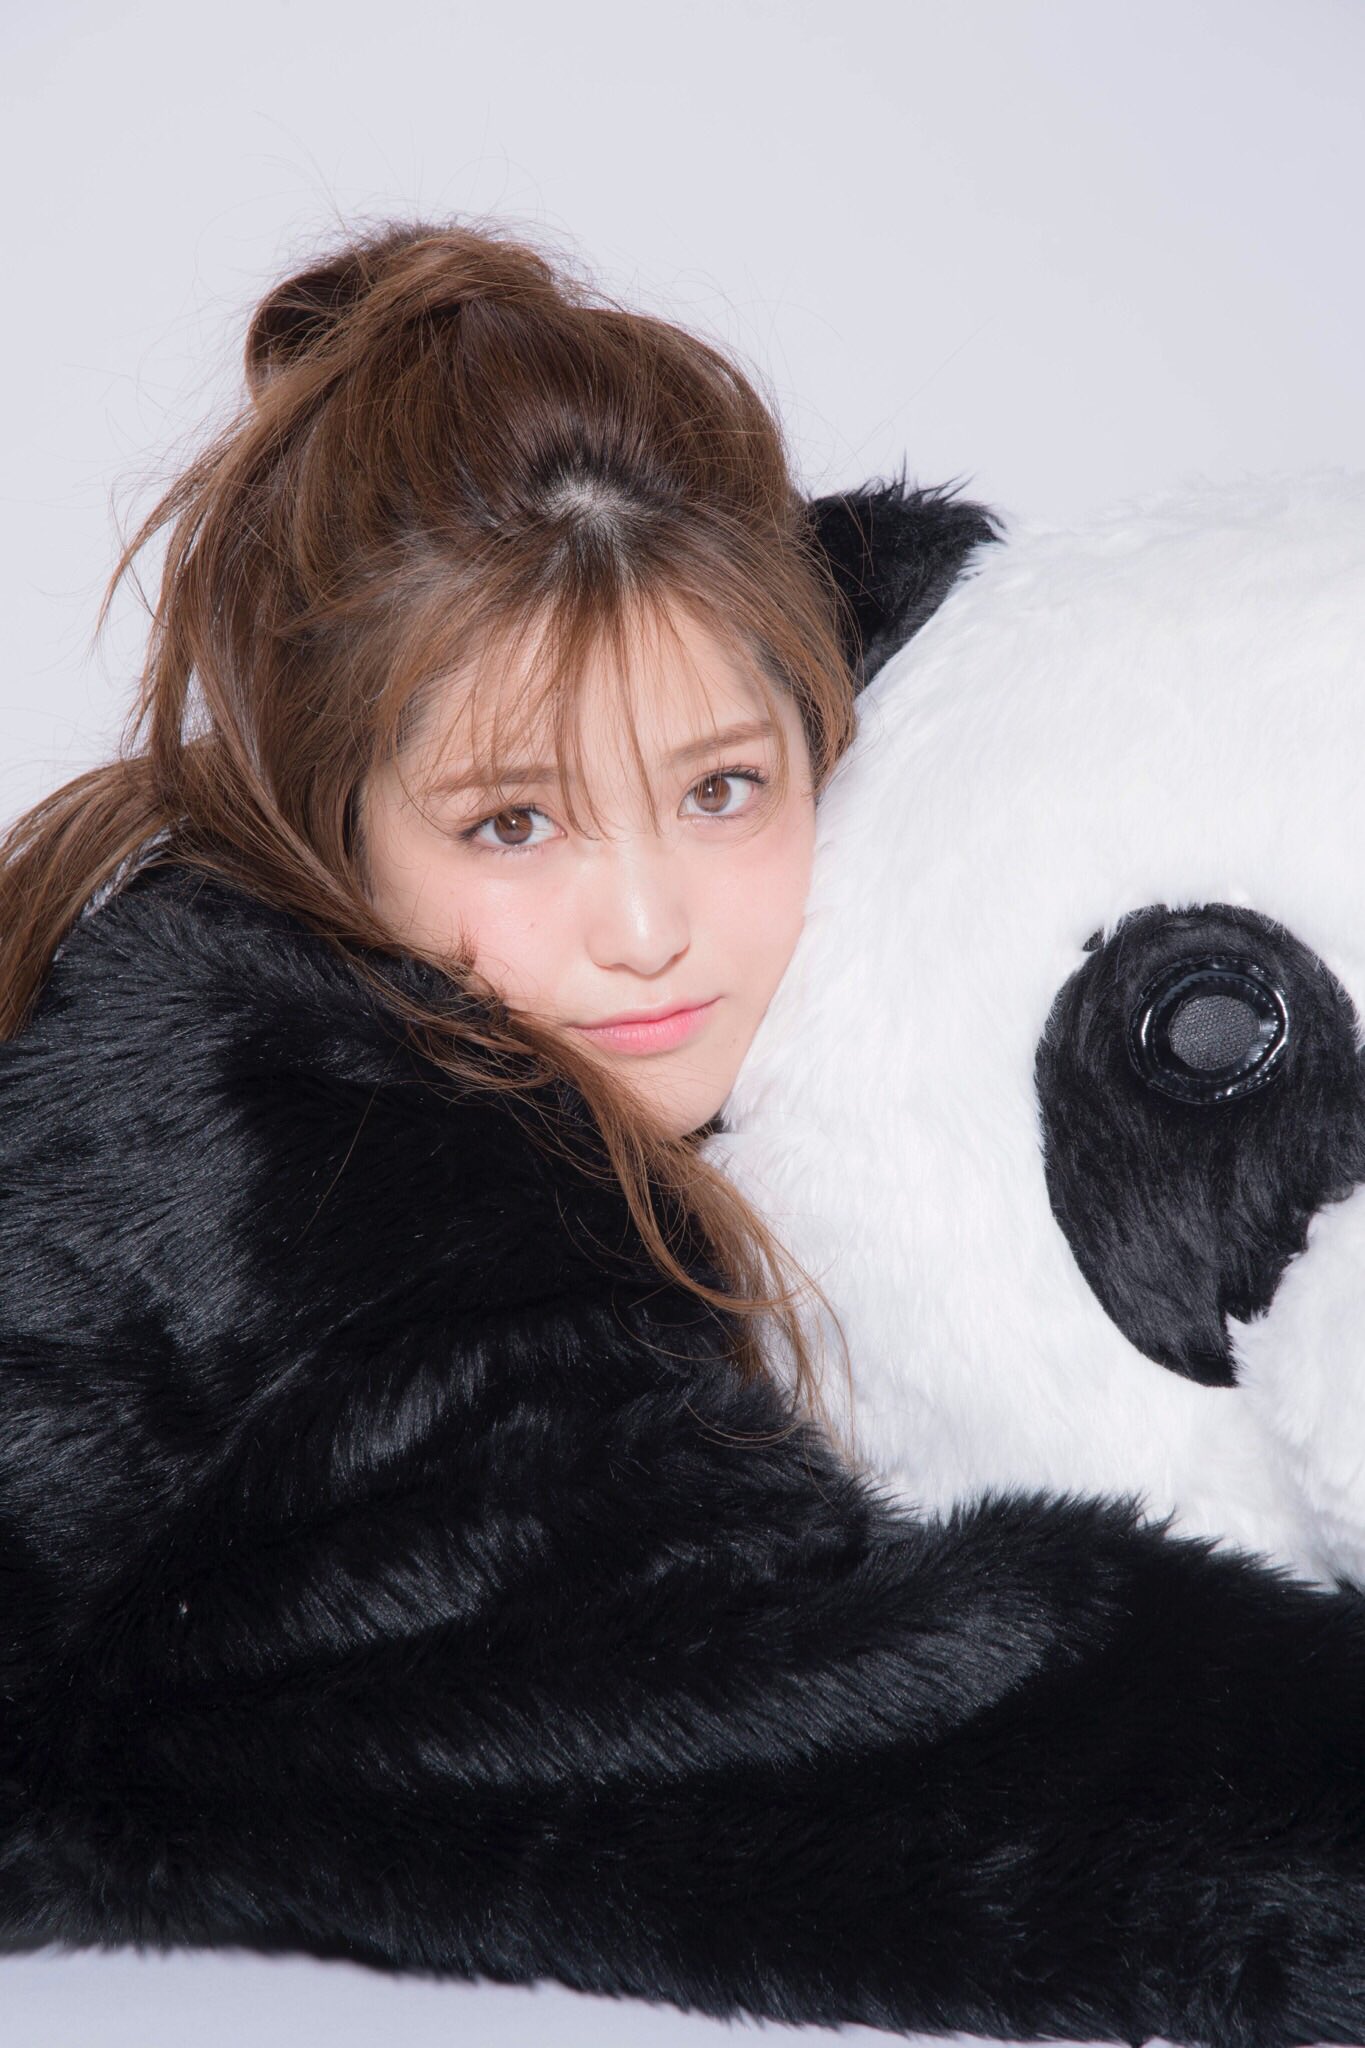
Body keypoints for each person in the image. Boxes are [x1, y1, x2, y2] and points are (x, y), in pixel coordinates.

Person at [3, 217, 1365, 2048]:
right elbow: (806, 1752)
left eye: (720, 789)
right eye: (511, 824)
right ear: (338, 839)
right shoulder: (305, 1175)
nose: (645, 927)